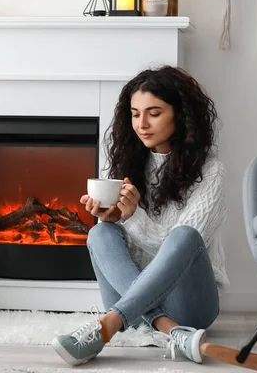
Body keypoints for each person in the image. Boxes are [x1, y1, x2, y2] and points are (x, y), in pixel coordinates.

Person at [50, 66, 229, 366]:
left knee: (184, 235)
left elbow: (177, 251)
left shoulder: (212, 173)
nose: (141, 124)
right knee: (100, 233)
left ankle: (107, 325)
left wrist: (132, 216)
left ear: (181, 115)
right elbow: (116, 242)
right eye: (135, 114)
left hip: (190, 305)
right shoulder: (127, 163)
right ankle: (169, 329)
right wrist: (109, 217)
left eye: (154, 113)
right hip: (134, 298)